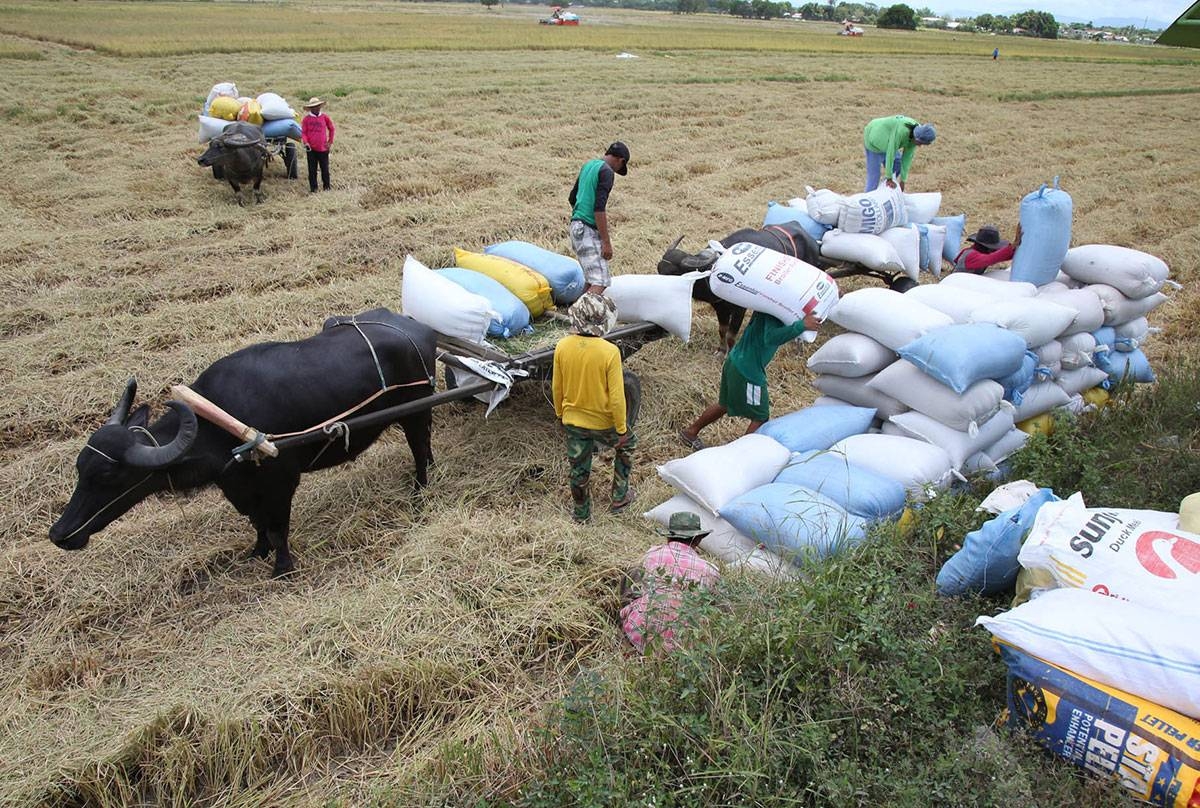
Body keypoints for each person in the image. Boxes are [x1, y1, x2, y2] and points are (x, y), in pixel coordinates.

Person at [678, 309, 821, 450]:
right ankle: (739, 454)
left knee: (725, 404)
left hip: (735, 359)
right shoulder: (775, 311)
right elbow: (771, 337)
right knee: (761, 416)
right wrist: (801, 326)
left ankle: (690, 432)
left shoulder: (769, 304)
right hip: (748, 370)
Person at [552, 293, 636, 522]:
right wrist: (621, 430)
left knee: (578, 468)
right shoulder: (609, 352)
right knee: (628, 445)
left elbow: (557, 387)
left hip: (573, 421)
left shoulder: (562, 346)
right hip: (603, 422)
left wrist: (560, 415)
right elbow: (618, 398)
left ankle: (581, 514)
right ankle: (619, 497)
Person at [619, 511, 720, 654]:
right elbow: (714, 608)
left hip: (639, 634)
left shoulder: (651, 555)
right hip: (683, 648)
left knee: (633, 576)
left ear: (668, 537)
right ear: (698, 540)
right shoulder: (710, 571)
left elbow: (630, 584)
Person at [568, 142, 630, 295]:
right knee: (601, 281)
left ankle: (574, 309)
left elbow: (572, 198)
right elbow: (599, 208)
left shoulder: (588, 166)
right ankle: (577, 316)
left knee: (590, 279)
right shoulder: (607, 171)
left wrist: (580, 216)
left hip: (576, 226)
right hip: (587, 228)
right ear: (620, 160)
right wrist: (606, 242)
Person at [862, 115, 936, 192]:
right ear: (917, 138)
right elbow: (891, 153)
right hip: (874, 137)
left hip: (888, 141)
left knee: (898, 164)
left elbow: (907, 158)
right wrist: (889, 178)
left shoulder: (917, 134)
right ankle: (867, 199)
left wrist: (903, 180)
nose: (920, 145)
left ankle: (882, 190)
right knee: (874, 177)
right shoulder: (902, 131)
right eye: (920, 143)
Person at [953, 223, 1022, 274]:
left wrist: (1014, 250)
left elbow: (998, 256)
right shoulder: (971, 255)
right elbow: (990, 258)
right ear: (987, 248)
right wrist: (1012, 247)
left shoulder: (976, 252)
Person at [300, 97, 335, 193]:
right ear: (310, 108)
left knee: (325, 169)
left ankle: (327, 188)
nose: (316, 108)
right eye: (314, 107)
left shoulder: (325, 117)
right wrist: (306, 142)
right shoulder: (306, 119)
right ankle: (313, 189)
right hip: (311, 149)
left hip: (323, 149)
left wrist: (330, 142)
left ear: (320, 106)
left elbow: (331, 128)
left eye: (317, 106)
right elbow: (304, 133)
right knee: (312, 170)